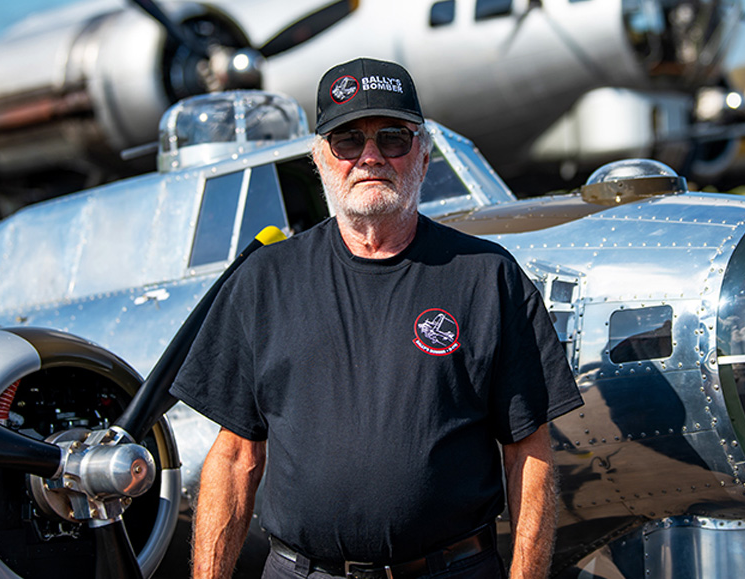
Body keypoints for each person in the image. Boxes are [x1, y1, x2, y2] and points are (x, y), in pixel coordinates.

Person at [170, 57, 583, 579]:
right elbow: (233, 459)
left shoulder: (487, 277)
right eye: (347, 141)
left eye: (393, 139)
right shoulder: (264, 281)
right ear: (320, 158)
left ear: (423, 155)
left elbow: (529, 452)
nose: (370, 157)